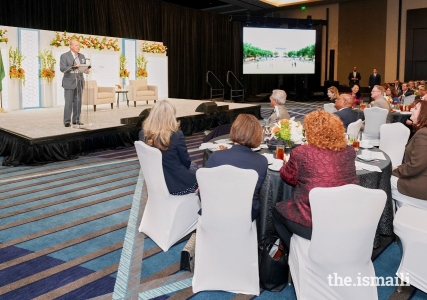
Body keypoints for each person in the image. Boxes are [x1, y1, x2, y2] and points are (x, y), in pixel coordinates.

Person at [272, 110, 358, 248]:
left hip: (310, 221)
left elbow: (289, 177)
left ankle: (293, 251)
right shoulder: (349, 151)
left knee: (277, 211)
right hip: (343, 215)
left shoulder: (301, 152)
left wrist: (283, 164)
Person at [205, 114, 268, 221]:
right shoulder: (262, 161)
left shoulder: (216, 157)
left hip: (215, 213)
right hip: (246, 215)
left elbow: (205, 192)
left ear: (234, 130)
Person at [139, 99, 198, 195]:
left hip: (156, 185)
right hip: (178, 187)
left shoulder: (142, 134)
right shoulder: (176, 135)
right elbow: (186, 162)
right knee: (197, 169)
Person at [391, 100, 427, 206]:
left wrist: (394, 171)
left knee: (384, 180)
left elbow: (416, 165)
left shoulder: (423, 134)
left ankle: (387, 219)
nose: (411, 109)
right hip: (420, 177)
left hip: (421, 185)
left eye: (415, 108)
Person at [60, 39, 88, 127]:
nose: (78, 47)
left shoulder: (82, 56)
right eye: (76, 45)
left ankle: (76, 120)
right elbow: (62, 69)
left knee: (78, 102)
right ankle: (67, 121)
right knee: (68, 102)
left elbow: (84, 68)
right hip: (69, 82)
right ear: (71, 46)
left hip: (79, 82)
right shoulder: (64, 56)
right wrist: (73, 67)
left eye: (79, 45)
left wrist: (87, 70)